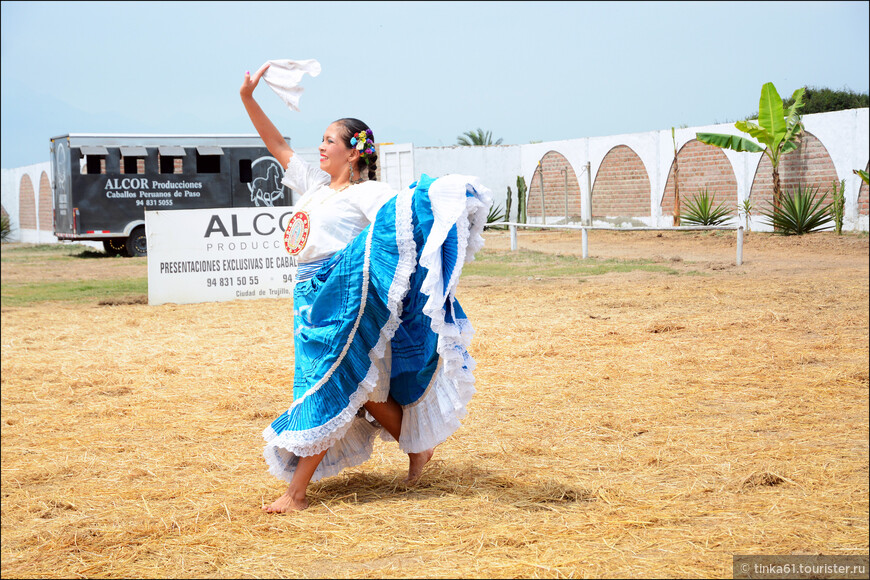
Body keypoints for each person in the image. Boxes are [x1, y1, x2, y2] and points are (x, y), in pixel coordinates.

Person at [240, 62, 492, 513]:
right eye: (320, 139)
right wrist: (248, 99)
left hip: (345, 302)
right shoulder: (315, 186)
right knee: (368, 394)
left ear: (354, 153)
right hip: (308, 299)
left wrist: (441, 198)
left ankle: (296, 494)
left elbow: (400, 227)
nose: (320, 146)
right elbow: (277, 144)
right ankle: (418, 449)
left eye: (329, 140)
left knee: (328, 382)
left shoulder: (368, 194)